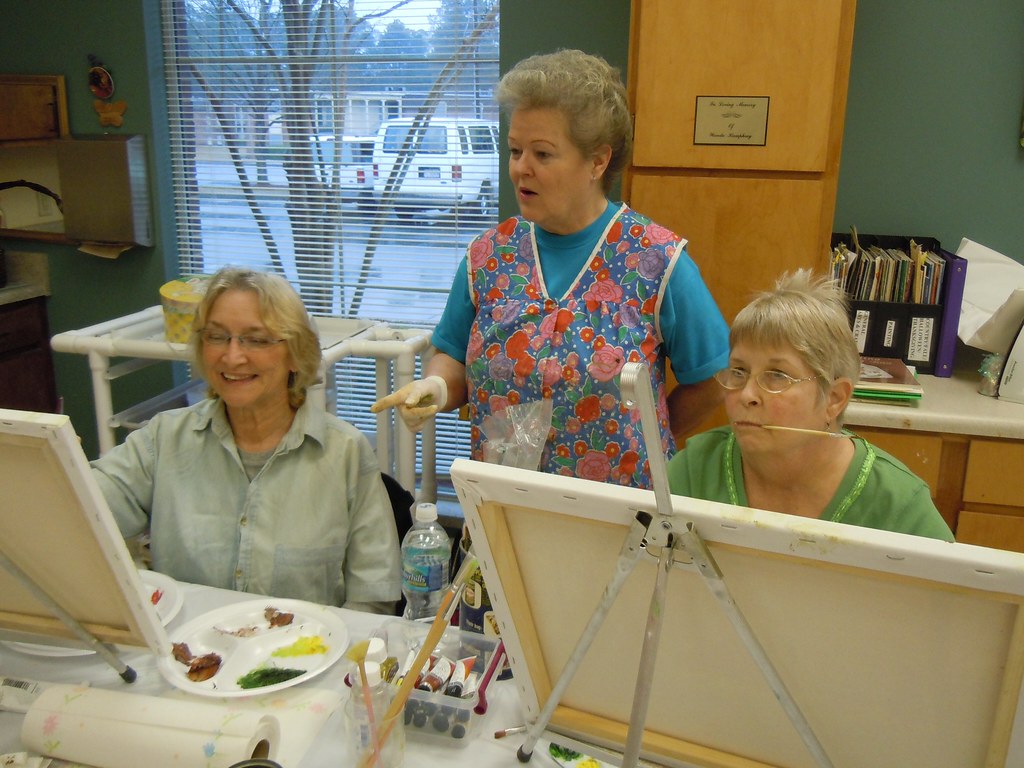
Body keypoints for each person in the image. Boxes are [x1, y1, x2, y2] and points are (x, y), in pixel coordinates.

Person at [372, 49, 730, 488]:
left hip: (618, 517)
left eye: (542, 154)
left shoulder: (656, 261)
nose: (521, 167)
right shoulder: (489, 256)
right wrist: (437, 388)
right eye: (515, 150)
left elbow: (712, 379)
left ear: (597, 161)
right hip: (505, 506)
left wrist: (651, 436)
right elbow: (451, 352)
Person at [92, 267, 402, 612]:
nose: (233, 356)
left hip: (307, 658)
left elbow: (372, 600)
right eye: (217, 336)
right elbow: (80, 509)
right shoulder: (162, 441)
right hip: (185, 656)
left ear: (296, 354)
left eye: (256, 339)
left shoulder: (346, 454)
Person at [667, 269, 954, 541]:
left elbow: (950, 591)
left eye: (777, 376)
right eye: (739, 371)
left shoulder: (899, 504)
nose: (746, 395)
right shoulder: (694, 470)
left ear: (834, 398)